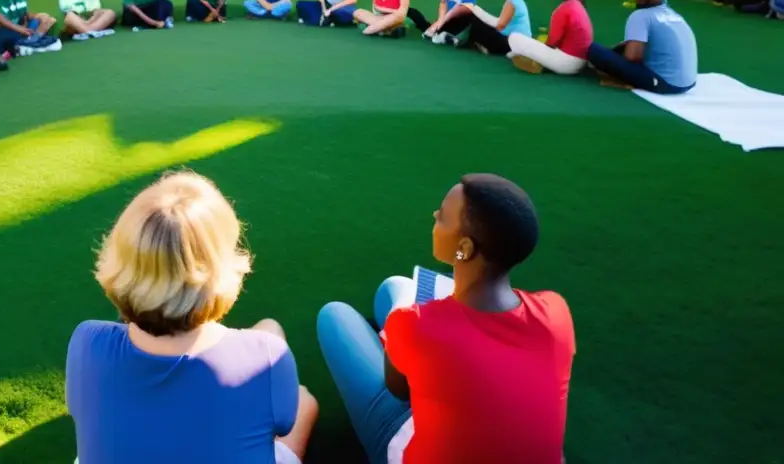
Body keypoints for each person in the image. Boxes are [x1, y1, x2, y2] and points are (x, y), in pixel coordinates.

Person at [317, 174, 574, 464]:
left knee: (334, 316)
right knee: (392, 286)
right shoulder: (555, 312)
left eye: (442, 216)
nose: (435, 215)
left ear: (464, 248)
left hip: (414, 442)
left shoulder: (417, 324)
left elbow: (399, 390)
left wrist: (404, 313)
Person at [67, 171, 319, 464]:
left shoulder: (87, 341)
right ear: (220, 268)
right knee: (304, 400)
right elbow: (284, 425)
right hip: (254, 367)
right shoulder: (269, 355)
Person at [587, 0, 697, 94]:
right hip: (689, 83)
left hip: (666, 84)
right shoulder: (674, 14)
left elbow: (632, 56)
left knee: (592, 48)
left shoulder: (640, 16)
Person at [508, 0, 593, 75]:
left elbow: (551, 43)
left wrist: (540, 47)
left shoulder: (564, 9)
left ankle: (522, 56)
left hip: (566, 64)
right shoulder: (580, 7)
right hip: (582, 62)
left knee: (514, 37)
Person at [431, 0, 532, 55]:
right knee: (474, 15)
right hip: (515, 42)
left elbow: (500, 25)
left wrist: (477, 11)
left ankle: (447, 35)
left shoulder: (512, 1)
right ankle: (469, 41)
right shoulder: (517, 0)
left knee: (474, 18)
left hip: (509, 44)